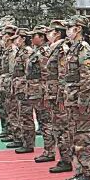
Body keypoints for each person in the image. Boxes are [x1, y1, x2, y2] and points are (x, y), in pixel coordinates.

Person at [61, 16, 90, 180]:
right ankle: (80, 170)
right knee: (75, 136)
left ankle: (86, 171)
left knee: (83, 136)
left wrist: (83, 100)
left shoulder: (83, 48)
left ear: (78, 28)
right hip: (72, 98)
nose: (67, 30)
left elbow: (88, 77)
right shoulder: (73, 48)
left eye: (70, 26)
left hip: (79, 100)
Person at [46, 20, 75, 174]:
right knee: (57, 127)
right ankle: (64, 158)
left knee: (62, 127)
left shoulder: (62, 49)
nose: (48, 34)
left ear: (57, 33)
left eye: (50, 31)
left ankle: (66, 159)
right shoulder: (54, 48)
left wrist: (62, 96)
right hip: (53, 94)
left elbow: (63, 74)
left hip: (59, 95)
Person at [26, 26, 56, 163]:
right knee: (42, 121)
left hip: (41, 91)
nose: (31, 39)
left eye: (34, 36)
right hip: (35, 91)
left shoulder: (43, 52)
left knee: (46, 122)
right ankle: (48, 150)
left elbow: (46, 74)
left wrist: (45, 93)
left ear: (42, 37)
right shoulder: (36, 51)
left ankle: (50, 151)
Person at [9, 29, 35, 154]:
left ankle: (29, 144)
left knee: (26, 117)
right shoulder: (20, 52)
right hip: (19, 88)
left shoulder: (27, 52)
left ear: (24, 39)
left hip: (25, 89)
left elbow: (28, 73)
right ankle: (23, 140)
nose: (15, 41)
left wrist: (24, 87)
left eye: (17, 38)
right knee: (21, 116)